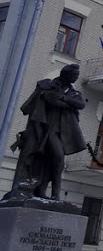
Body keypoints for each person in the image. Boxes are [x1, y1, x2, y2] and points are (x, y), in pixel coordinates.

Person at [7, 64, 87, 200]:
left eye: (77, 75)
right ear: (66, 74)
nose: (77, 77)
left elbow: (81, 104)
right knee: (58, 159)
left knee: (51, 162)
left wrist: (64, 99)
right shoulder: (49, 86)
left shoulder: (74, 92)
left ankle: (44, 191)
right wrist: (68, 104)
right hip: (46, 130)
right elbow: (51, 101)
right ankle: (54, 194)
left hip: (62, 133)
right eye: (75, 75)